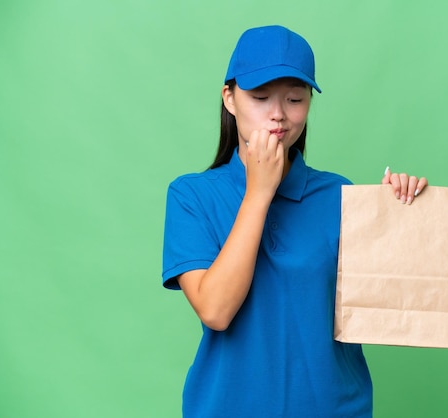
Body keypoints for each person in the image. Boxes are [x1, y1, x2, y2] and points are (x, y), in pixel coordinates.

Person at [162, 25, 428, 417]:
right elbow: (216, 310)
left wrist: (399, 213)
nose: (278, 115)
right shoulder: (192, 196)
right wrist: (258, 192)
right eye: (260, 97)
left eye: (294, 99)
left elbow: (390, 307)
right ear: (229, 98)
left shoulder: (340, 195)